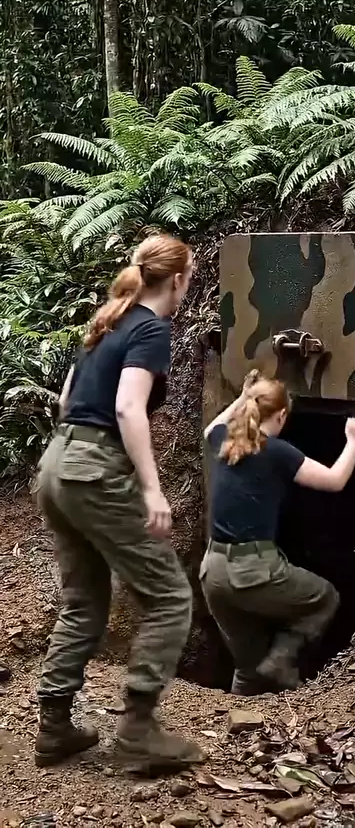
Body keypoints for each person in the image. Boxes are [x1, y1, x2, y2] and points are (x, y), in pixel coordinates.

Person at [33, 233, 204, 773]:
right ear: (175, 280)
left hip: (57, 464)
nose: (187, 288)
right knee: (170, 596)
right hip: (94, 471)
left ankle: (54, 727)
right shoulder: (151, 328)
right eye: (189, 279)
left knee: (83, 602)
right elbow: (129, 408)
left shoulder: (106, 321)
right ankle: (137, 731)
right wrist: (152, 488)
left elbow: (67, 399)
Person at [200, 371, 355, 696]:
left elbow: (210, 430)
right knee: (324, 598)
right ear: (281, 415)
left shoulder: (224, 440)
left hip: (213, 573)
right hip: (252, 570)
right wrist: (354, 439)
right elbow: (335, 480)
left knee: (248, 666)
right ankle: (281, 659)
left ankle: (234, 717)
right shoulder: (276, 451)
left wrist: (242, 396)